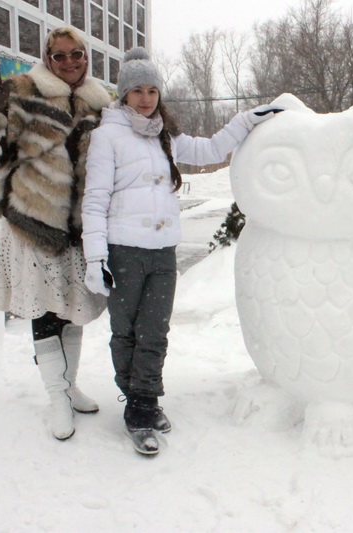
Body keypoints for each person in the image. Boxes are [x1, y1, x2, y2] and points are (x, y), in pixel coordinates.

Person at [81, 47, 281, 455]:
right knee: (127, 332)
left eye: (153, 90)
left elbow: (209, 150)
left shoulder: (165, 137)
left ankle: (144, 401)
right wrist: (95, 257)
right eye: (137, 90)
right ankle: (136, 404)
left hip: (161, 253)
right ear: (123, 95)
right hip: (123, 250)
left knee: (155, 332)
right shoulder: (107, 137)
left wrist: (245, 122)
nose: (146, 98)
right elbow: (95, 199)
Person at [0, 27, 112, 441]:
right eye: (59, 55)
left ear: (86, 57)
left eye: (76, 54)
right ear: (47, 58)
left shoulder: (103, 103)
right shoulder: (22, 91)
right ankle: (55, 397)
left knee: (74, 310)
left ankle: (70, 384)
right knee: (46, 312)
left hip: (80, 229)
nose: (69, 62)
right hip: (33, 223)